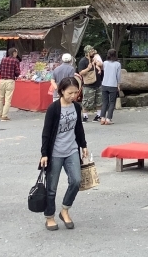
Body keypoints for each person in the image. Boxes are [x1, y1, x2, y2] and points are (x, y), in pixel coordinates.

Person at [40, 76, 88, 230]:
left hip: (72, 149)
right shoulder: (53, 109)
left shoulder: (76, 107)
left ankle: (65, 210)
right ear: (61, 91)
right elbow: (46, 133)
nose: (73, 96)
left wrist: (83, 145)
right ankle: (49, 217)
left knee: (76, 180)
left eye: (75, 92)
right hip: (55, 152)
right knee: (51, 187)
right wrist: (44, 154)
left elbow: (78, 128)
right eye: (70, 93)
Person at [78, 46, 103, 122]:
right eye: (91, 51)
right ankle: (85, 116)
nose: (93, 52)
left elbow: (101, 66)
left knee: (99, 101)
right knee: (86, 101)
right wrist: (88, 68)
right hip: (88, 85)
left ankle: (99, 115)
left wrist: (99, 66)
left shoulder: (95, 59)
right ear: (87, 53)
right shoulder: (83, 61)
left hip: (98, 83)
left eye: (93, 51)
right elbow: (80, 72)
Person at [0, 48, 20, 121]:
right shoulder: (15, 61)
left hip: (2, 80)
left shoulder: (3, 59)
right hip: (10, 81)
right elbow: (17, 72)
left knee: (0, 98)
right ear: (14, 53)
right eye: (16, 52)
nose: (17, 54)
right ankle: (4, 115)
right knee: (8, 99)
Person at [100, 48, 121, 125]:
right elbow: (118, 76)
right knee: (112, 102)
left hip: (104, 84)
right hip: (113, 85)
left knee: (105, 102)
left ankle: (102, 118)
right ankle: (108, 119)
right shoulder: (117, 64)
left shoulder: (104, 63)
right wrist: (118, 84)